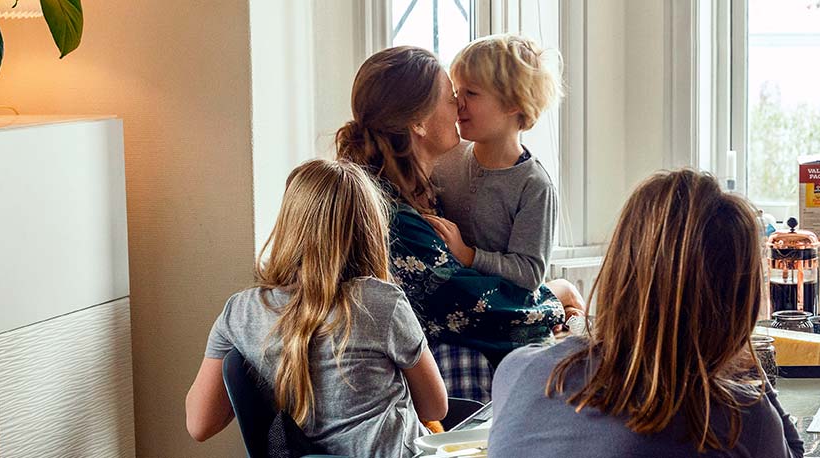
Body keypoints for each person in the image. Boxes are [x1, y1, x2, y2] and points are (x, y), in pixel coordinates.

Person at [488, 169, 805, 457]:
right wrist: (747, 362)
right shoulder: (740, 417)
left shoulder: (516, 371)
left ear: (618, 266)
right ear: (740, 303)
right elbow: (794, 451)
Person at [335, 46, 584, 402]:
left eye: (468, 94)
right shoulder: (394, 217)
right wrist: (555, 296)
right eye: (451, 95)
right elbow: (475, 308)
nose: (459, 106)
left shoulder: (421, 189)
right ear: (417, 123)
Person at [183, 159, 448, 458]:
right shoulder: (381, 302)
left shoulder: (241, 312)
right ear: (369, 232)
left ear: (288, 225)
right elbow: (436, 406)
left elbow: (199, 424)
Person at [428, 33, 565, 291]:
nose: (458, 102)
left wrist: (469, 255)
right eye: (457, 91)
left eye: (471, 93)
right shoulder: (446, 158)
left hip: (502, 317)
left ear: (512, 103)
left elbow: (530, 273)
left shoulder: (535, 186)